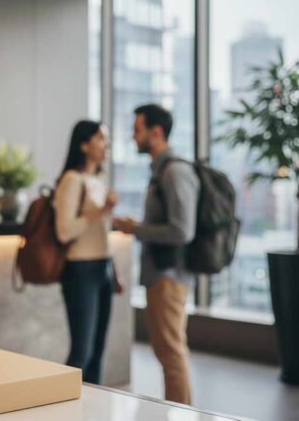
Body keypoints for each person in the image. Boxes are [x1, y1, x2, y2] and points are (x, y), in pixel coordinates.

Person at [112, 104, 199, 404]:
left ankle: (181, 414)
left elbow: (182, 230)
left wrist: (136, 229)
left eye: (137, 129)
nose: (132, 136)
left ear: (156, 131)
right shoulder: (161, 170)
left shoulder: (175, 171)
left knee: (171, 352)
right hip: (161, 273)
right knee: (167, 351)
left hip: (169, 275)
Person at [54, 120, 124, 384]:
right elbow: (64, 231)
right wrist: (102, 211)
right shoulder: (72, 180)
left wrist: (114, 270)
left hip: (102, 268)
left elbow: (100, 232)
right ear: (84, 145)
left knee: (96, 353)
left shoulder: (100, 180)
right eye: (100, 139)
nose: (107, 144)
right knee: (81, 352)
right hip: (80, 271)